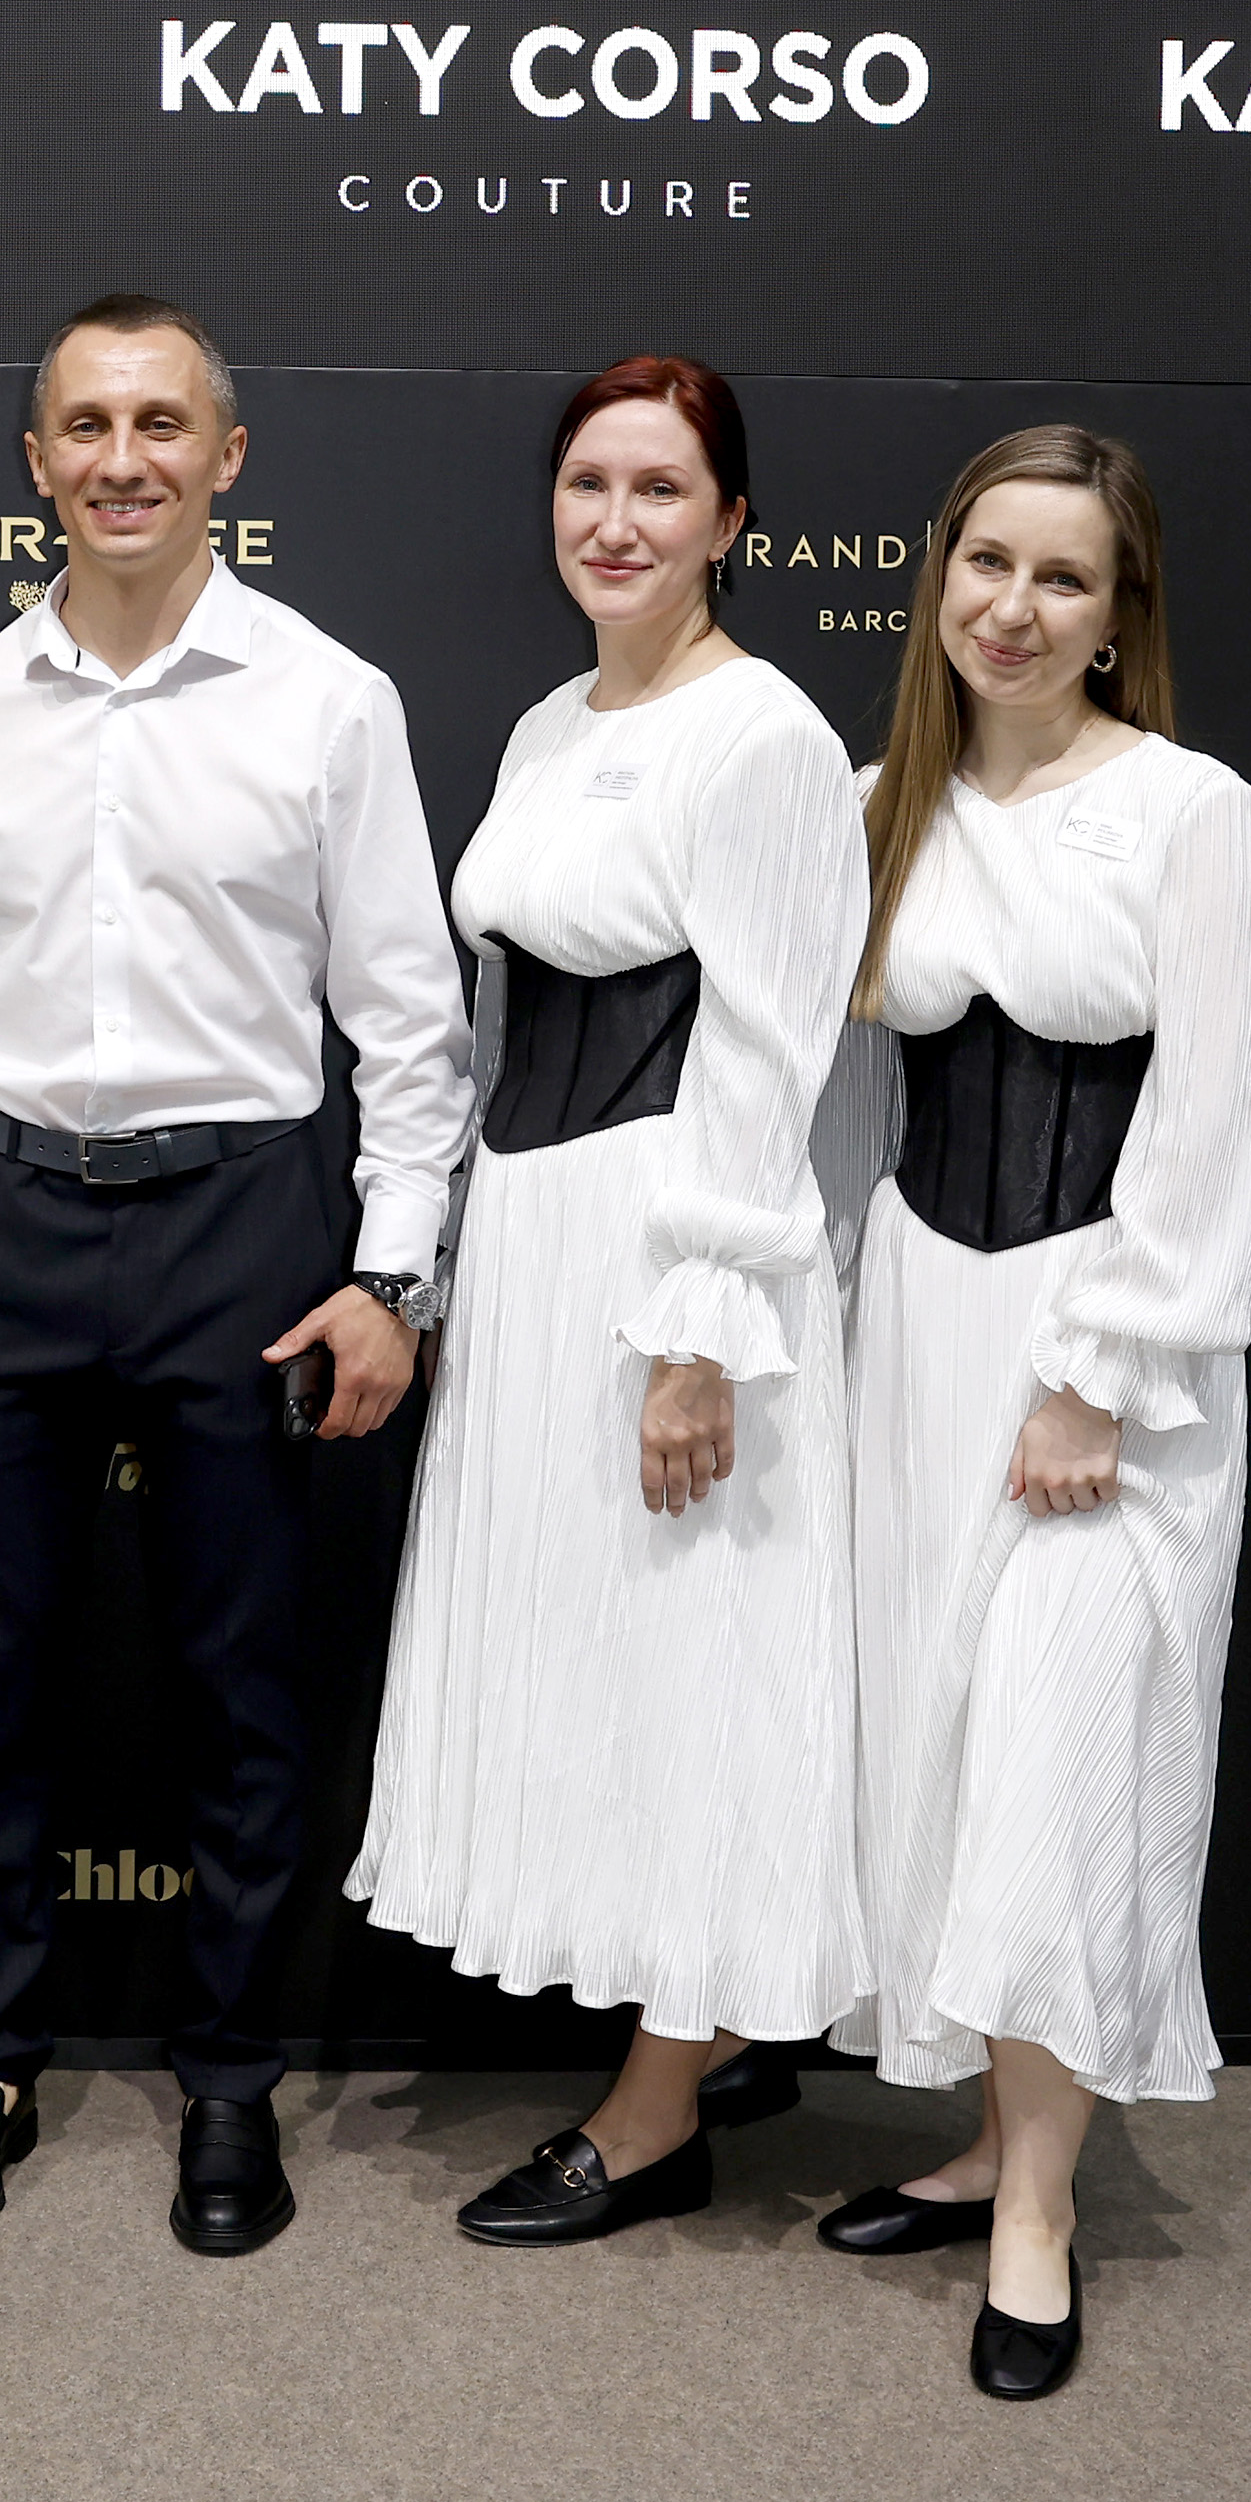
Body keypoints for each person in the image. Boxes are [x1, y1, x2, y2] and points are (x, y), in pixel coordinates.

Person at [0, 292, 478, 2257]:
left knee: (240, 1681)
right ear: (34, 464)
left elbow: (408, 1020)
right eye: (85, 425)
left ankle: (230, 2080)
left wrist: (394, 1273)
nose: (121, 459)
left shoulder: (330, 701)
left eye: (159, 423)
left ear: (228, 456)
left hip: (246, 1230)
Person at [352, 358, 867, 2246]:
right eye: (588, 483)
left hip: (667, 1250)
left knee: (684, 1663)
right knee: (597, 1650)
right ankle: (696, 2028)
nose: (617, 522)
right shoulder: (548, 725)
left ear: (732, 521)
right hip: (539, 1233)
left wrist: (698, 1331)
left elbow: (768, 1052)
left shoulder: (767, 737)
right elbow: (503, 1022)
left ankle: (657, 2112)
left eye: (662, 488)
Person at [824, 424, 1251, 2402]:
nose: (1012, 607)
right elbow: (829, 1098)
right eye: (986, 562)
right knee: (941, 1754)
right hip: (916, 1324)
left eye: (1063, 576)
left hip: (1105, 1353)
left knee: (1061, 1768)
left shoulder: (1193, 814)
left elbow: (1216, 1119)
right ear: (940, 574)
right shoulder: (880, 807)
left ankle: (1037, 2210)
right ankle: (988, 2144)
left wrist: (1101, 1377)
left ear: (1120, 613)